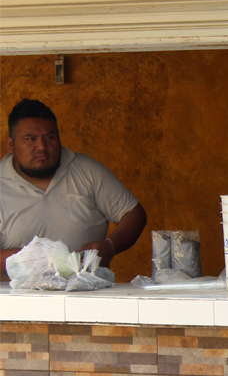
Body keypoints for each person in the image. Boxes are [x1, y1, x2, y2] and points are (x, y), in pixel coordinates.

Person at [1, 99, 147, 275]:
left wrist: (110, 245)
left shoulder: (87, 170)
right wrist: (36, 258)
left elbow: (133, 213)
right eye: (30, 139)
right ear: (10, 144)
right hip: (18, 299)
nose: (42, 146)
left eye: (50, 137)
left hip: (87, 294)